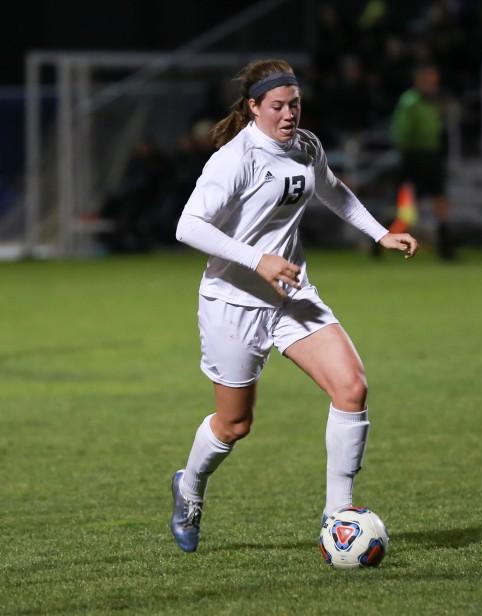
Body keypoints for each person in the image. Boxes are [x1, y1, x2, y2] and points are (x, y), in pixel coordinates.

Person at [170, 58, 418, 553]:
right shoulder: (234, 159)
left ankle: (337, 516)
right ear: (254, 107)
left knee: (351, 387)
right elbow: (188, 226)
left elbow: (333, 191)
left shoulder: (305, 146)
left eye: (295, 104)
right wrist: (256, 259)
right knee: (235, 425)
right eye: (278, 106)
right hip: (233, 303)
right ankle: (189, 486)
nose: (289, 114)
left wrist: (380, 234)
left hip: (291, 294)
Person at [390, 63, 456, 260]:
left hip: (432, 156)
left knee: (440, 201)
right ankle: (381, 241)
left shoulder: (434, 101)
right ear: (419, 80)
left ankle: (446, 248)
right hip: (413, 157)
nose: (432, 83)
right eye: (428, 79)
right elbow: (401, 133)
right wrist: (406, 154)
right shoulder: (410, 102)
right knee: (408, 209)